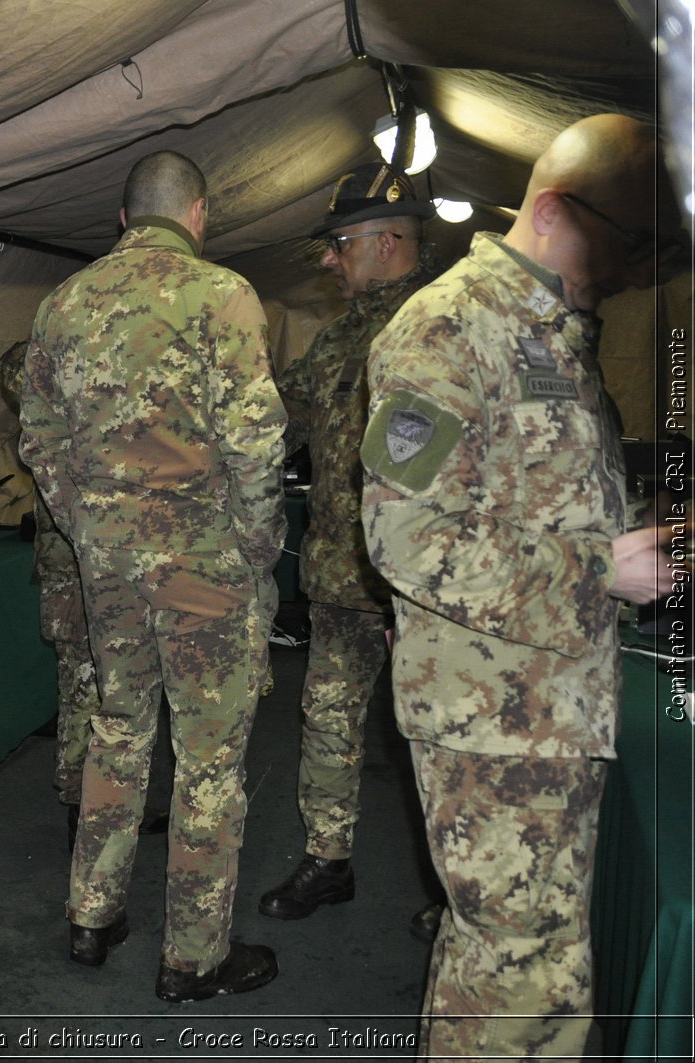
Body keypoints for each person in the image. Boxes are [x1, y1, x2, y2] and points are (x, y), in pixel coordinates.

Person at [360, 113, 683, 1058]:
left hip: (545, 704)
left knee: (514, 972)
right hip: (491, 721)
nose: (636, 271)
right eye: (630, 246)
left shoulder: (555, 333)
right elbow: (403, 531)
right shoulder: (448, 329)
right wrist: (600, 571)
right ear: (552, 210)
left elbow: (528, 497)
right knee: (520, 983)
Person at [19, 150, 287, 1001]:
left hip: (110, 568)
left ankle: (92, 916)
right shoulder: (224, 296)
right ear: (199, 214)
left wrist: (91, 526)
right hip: (204, 565)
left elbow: (39, 441)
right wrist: (257, 546)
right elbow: (255, 444)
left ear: (124, 221)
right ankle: (193, 957)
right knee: (209, 762)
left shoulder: (62, 305)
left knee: (118, 729)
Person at [258, 164, 442, 923]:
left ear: (390, 240)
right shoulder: (339, 335)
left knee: (435, 735)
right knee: (328, 715)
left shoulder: (439, 326)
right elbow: (284, 414)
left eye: (340, 244)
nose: (329, 260)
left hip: (423, 583)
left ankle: (454, 888)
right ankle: (328, 859)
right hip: (341, 572)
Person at [0, 344, 173, 855]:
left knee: (117, 691)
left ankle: (113, 803)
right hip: (75, 574)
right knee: (84, 692)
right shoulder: (52, 421)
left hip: (108, 571)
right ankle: (84, 813)